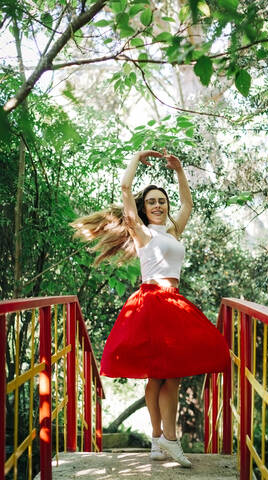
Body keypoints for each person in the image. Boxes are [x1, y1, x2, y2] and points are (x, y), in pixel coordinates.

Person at [71, 150, 230, 468]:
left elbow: (188, 204)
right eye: (152, 202)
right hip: (151, 303)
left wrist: (180, 170)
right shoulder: (141, 232)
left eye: (162, 201)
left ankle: (159, 441)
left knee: (162, 377)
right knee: (166, 375)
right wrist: (136, 157)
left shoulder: (172, 231)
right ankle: (170, 440)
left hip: (174, 303)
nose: (158, 205)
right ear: (143, 209)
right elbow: (126, 190)